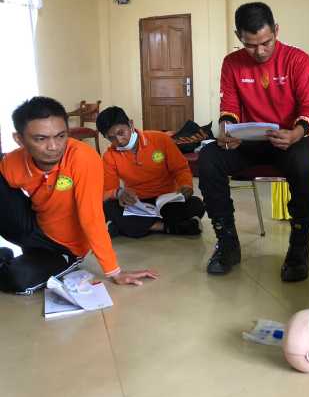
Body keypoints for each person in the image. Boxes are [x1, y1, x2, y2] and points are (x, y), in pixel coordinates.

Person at [198, 2, 309, 281]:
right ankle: (227, 244)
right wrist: (226, 130)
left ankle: (299, 247)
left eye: (266, 42)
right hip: (249, 143)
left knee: (303, 162)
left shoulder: (297, 59)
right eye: (251, 45)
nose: (260, 51)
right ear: (239, 36)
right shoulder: (232, 63)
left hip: (291, 140)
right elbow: (228, 106)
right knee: (208, 160)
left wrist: (295, 134)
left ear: (276, 30)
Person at [0, 97, 158, 294]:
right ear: (20, 139)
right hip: (32, 224)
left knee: (17, 279)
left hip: (63, 247)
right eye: (41, 139)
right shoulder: (13, 162)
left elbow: (91, 216)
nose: (54, 146)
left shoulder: (82, 158)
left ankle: (9, 258)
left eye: (60, 136)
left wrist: (114, 271)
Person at [96, 106, 205, 238]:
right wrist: (118, 193)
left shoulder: (160, 139)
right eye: (111, 138)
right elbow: (108, 189)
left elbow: (180, 168)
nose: (119, 141)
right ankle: (168, 227)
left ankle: (131, 228)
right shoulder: (109, 157)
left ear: (130, 124)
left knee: (197, 205)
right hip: (137, 203)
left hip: (167, 200)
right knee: (108, 207)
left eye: (121, 132)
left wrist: (186, 185)